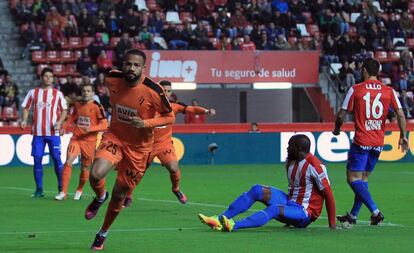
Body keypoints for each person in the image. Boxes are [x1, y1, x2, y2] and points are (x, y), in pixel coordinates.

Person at [85, 49, 174, 250]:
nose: (131, 68)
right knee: (95, 174)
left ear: (143, 68)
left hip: (139, 149)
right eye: (128, 64)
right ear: (122, 64)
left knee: (119, 195)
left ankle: (102, 233)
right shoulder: (112, 78)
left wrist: (146, 123)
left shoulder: (154, 90)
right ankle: (99, 197)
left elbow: (169, 117)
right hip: (115, 137)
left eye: (136, 65)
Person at [198, 134, 336, 231]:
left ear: (299, 150)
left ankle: (233, 225)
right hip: (290, 202)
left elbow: (329, 195)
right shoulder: (289, 161)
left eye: (290, 146)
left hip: (304, 213)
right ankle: (219, 219)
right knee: (257, 189)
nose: (287, 148)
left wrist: (332, 225)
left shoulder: (316, 167)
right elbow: (296, 188)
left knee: (274, 209)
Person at [333, 58, 409, 226]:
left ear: (365, 70)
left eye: (362, 69)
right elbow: (401, 114)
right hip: (377, 142)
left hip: (361, 141)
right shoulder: (389, 91)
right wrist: (404, 136)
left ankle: (375, 211)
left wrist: (337, 129)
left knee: (353, 178)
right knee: (363, 179)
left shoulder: (356, 89)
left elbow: (341, 114)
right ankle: (353, 216)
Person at [124, 80, 216, 207]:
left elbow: (191, 109)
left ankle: (176, 189)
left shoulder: (174, 106)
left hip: (164, 144)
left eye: (168, 91)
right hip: (147, 145)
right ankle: (128, 195)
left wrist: (205, 111)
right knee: (139, 173)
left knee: (174, 168)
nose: (166, 93)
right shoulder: (146, 105)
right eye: (164, 90)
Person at [55, 83, 108, 201]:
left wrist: (91, 129)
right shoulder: (78, 104)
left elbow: (105, 124)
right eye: (84, 91)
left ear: (93, 93)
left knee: (85, 167)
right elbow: (73, 116)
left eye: (88, 91)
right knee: (68, 161)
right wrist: (64, 126)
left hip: (89, 141)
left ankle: (79, 190)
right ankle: (63, 192)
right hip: (76, 138)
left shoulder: (97, 106)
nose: (85, 93)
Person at [20, 67, 68, 197]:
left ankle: (61, 189)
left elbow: (64, 110)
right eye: (46, 76)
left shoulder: (57, 94)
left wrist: (59, 123)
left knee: (57, 159)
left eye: (51, 76)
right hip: (38, 134)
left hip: (53, 133)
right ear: (41, 78)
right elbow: (25, 107)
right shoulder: (33, 92)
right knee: (37, 159)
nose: (48, 78)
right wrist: (24, 120)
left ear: (53, 79)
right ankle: (39, 190)